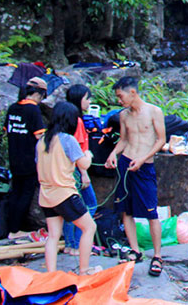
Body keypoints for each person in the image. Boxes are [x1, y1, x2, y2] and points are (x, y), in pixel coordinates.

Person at [104, 76, 167, 276]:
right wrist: (113, 154)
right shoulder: (124, 116)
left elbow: (161, 140)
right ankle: (135, 250)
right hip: (126, 162)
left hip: (144, 165)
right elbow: (123, 140)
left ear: (132, 92)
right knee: (125, 209)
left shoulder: (154, 112)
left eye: (120, 96)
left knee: (151, 211)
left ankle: (157, 255)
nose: (119, 100)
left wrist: (143, 158)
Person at [36, 101, 99, 275]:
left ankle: (51, 274)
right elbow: (84, 164)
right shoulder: (68, 139)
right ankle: (84, 270)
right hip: (64, 194)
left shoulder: (42, 140)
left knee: (53, 236)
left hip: (46, 196)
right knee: (89, 227)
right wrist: (88, 154)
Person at [5, 77, 47, 239]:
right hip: (29, 160)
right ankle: (15, 231)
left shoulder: (13, 108)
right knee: (25, 195)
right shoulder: (33, 110)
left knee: (15, 192)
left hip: (14, 158)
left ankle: (11, 228)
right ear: (38, 94)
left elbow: (7, 130)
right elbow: (39, 137)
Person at [62, 84, 98, 255]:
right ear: (79, 99)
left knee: (69, 208)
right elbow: (75, 150)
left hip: (69, 169)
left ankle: (70, 244)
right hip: (78, 169)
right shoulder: (76, 121)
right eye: (87, 98)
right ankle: (77, 244)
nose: (89, 101)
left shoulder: (69, 119)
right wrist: (84, 173)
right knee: (89, 204)